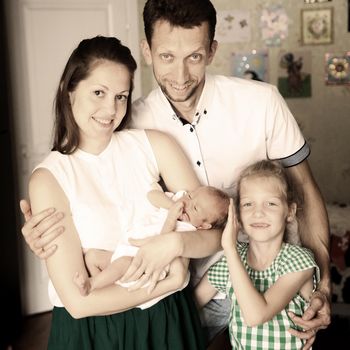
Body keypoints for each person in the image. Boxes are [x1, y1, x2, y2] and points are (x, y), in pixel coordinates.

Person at [20, 0, 330, 348]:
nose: (180, 76)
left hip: (256, 280)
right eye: (167, 56)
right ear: (148, 51)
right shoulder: (129, 126)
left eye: (194, 57)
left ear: (212, 51)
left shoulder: (257, 104)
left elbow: (302, 189)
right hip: (181, 294)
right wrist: (45, 241)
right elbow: (80, 284)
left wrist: (324, 285)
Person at [26, 35, 207, 349]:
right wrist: (172, 281)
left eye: (121, 96)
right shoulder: (49, 178)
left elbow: (215, 229)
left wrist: (176, 243)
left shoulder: (154, 145)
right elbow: (78, 303)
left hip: (168, 321)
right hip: (95, 333)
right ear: (68, 91)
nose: (111, 109)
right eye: (99, 92)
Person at [194, 160, 320, 349]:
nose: (258, 213)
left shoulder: (298, 260)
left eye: (271, 203)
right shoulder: (228, 264)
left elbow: (256, 316)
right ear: (237, 215)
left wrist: (229, 248)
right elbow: (186, 310)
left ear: (290, 212)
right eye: (248, 204)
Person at [74, 186, 229, 310]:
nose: (187, 203)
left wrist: (171, 217)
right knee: (92, 256)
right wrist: (171, 205)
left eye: (195, 208)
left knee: (122, 264)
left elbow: (162, 242)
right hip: (127, 252)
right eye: (190, 196)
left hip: (145, 266)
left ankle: (92, 284)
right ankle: (107, 283)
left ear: (203, 225)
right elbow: (152, 195)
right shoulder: (178, 201)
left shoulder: (188, 229)